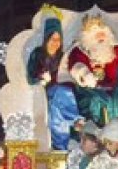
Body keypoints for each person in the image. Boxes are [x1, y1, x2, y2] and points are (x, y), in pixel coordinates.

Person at [66, 14, 118, 126]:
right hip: (91, 91)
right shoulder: (81, 51)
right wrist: (84, 73)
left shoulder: (112, 48)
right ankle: (102, 136)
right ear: (88, 37)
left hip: (116, 90)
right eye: (96, 33)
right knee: (98, 103)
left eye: (103, 32)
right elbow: (77, 64)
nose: (101, 36)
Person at [27, 11, 80, 150]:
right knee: (60, 92)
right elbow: (30, 77)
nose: (56, 43)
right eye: (52, 39)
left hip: (61, 95)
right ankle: (75, 119)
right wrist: (41, 78)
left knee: (56, 109)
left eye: (58, 39)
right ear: (46, 39)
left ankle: (61, 146)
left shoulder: (63, 56)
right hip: (43, 92)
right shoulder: (38, 54)